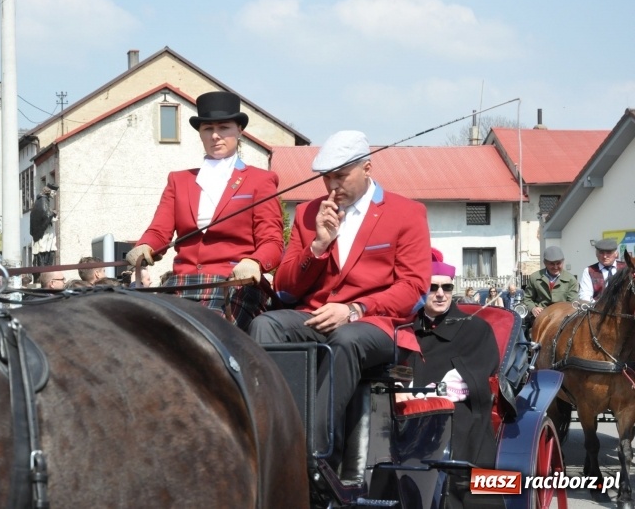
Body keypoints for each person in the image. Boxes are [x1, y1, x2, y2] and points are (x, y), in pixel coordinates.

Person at [248, 129, 431, 473]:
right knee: (264, 325)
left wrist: (354, 310)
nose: (332, 187)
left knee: (345, 340)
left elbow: (414, 289)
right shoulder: (308, 213)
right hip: (316, 316)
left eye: (340, 175)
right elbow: (285, 290)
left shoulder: (407, 213)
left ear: (367, 168)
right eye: (326, 178)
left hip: (378, 325)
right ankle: (268, 434)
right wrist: (317, 246)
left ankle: (311, 456)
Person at [126, 91, 284, 330]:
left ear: (239, 130)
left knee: (204, 331)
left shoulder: (260, 180)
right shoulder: (179, 181)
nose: (216, 136)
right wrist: (145, 245)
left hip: (234, 283)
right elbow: (159, 231)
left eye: (224, 128)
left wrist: (256, 262)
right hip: (183, 283)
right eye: (208, 129)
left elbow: (273, 241)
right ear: (200, 133)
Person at [404, 253, 500, 508]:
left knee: (460, 439)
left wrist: (442, 391)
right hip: (408, 410)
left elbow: (479, 371)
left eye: (446, 287)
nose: (440, 294)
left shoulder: (475, 328)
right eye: (432, 287)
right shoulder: (405, 329)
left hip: (458, 409)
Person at [523, 245, 578, 318]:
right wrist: (533, 308)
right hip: (540, 316)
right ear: (545, 263)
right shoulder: (535, 277)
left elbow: (572, 303)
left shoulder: (570, 279)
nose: (555, 267)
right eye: (552, 264)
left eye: (558, 263)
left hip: (562, 317)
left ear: (563, 262)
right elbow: (527, 298)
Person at [578, 238, 623, 302]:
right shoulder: (589, 271)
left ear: (616, 254)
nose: (605, 256)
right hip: (597, 310)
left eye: (608, 252)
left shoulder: (626, 268)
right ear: (596, 254)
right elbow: (585, 295)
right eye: (601, 253)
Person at [31, 184, 59, 267]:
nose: (55, 194)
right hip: (43, 233)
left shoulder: (42, 200)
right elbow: (45, 214)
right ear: (49, 191)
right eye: (54, 192)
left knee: (48, 250)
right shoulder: (43, 200)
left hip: (44, 231)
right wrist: (53, 213)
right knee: (44, 251)